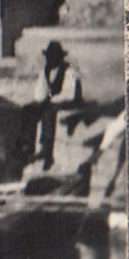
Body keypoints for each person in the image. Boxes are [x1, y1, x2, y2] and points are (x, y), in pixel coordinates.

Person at [28, 40, 84, 172]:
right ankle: (31, 147)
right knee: (31, 109)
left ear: (59, 58)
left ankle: (47, 150)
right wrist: (38, 102)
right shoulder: (46, 70)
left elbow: (69, 93)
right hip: (54, 99)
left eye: (53, 58)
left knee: (49, 111)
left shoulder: (68, 70)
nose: (50, 61)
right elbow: (40, 90)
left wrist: (49, 100)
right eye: (48, 58)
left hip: (71, 100)